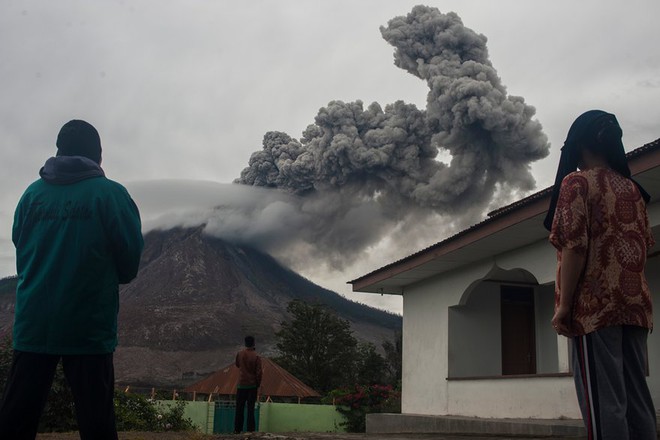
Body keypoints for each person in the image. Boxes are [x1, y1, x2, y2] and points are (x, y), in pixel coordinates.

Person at [0, 120, 144, 439]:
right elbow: (129, 264)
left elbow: (20, 246)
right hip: (88, 325)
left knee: (15, 420)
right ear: (98, 155)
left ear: (58, 152)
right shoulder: (112, 196)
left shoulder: (31, 195)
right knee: (96, 424)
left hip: (34, 325)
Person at [544, 110, 656, 439]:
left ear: (579, 145)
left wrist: (564, 306)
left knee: (603, 402)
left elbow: (574, 247)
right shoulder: (633, 190)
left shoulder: (576, 183)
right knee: (637, 399)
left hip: (595, 310)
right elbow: (642, 246)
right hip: (635, 308)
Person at [234, 335, 262, 433]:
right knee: (250, 409)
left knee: (239, 409)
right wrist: (257, 383)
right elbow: (259, 373)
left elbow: (237, 364)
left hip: (241, 385)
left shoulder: (240, 354)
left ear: (245, 343)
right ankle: (250, 430)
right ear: (253, 343)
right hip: (252, 386)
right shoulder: (257, 356)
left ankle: (237, 430)